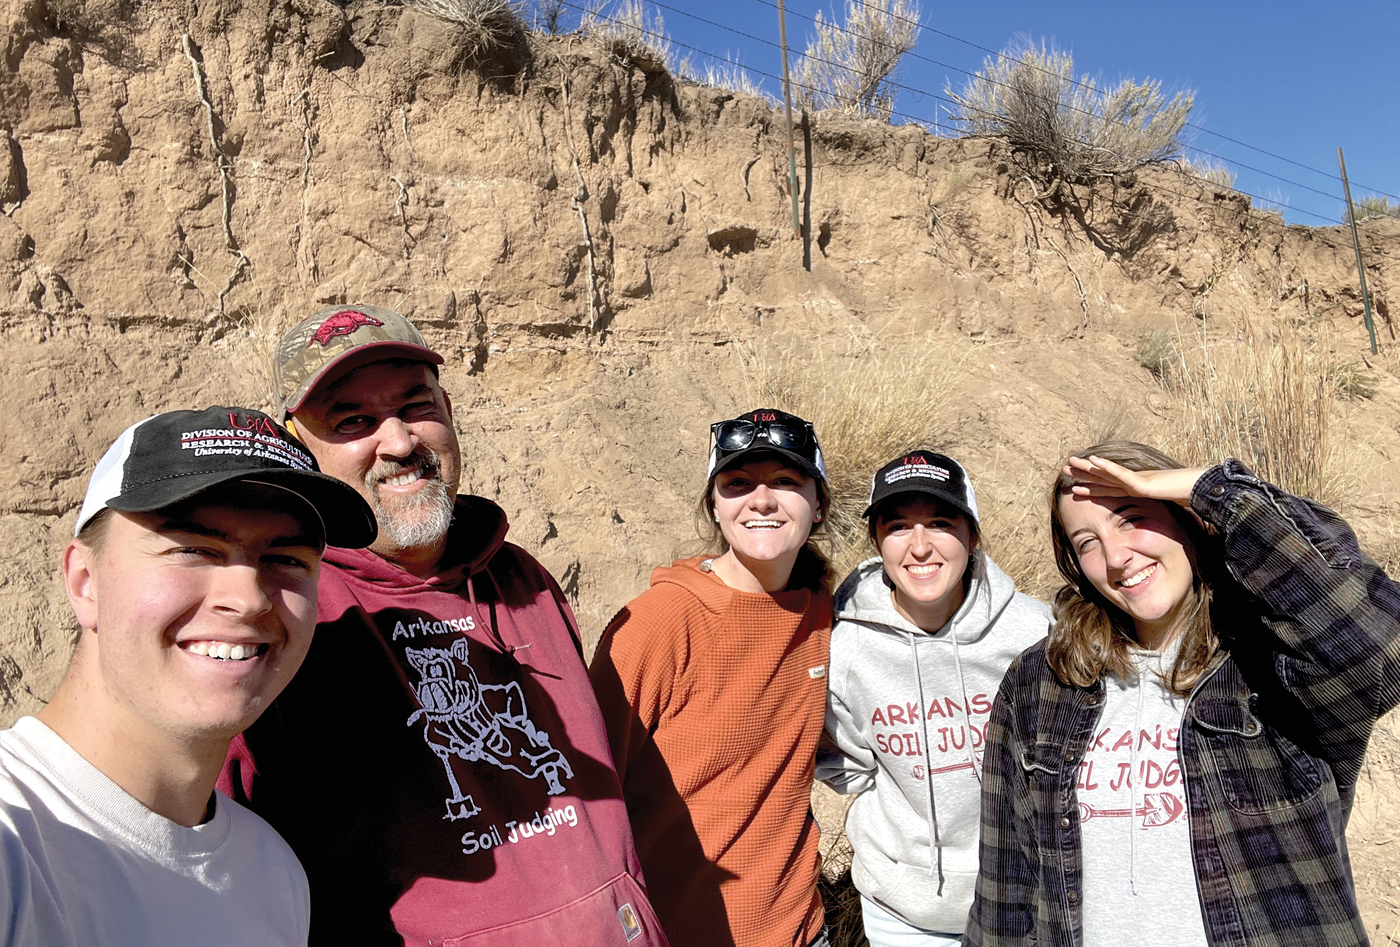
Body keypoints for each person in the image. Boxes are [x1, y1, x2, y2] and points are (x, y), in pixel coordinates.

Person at [220, 304, 669, 947]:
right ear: (302, 452)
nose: (400, 443)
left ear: (450, 410)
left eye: (416, 406)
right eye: (354, 421)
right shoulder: (288, 613)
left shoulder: (521, 579)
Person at [965, 442, 1400, 947]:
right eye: (1086, 542)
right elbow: (1007, 883)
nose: (1115, 557)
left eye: (1131, 517)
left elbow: (1381, 650)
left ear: (1186, 518)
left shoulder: (1276, 660)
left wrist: (1215, 491)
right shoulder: (1041, 682)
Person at [0, 405, 377, 946]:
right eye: (194, 550)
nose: (247, 600)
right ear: (86, 582)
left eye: (287, 559)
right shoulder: (16, 846)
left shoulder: (273, 874)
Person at [589, 408, 834, 947]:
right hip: (682, 931)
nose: (762, 501)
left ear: (818, 506)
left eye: (787, 483)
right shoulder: (659, 623)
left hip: (800, 931)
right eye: (737, 483)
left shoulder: (825, 611)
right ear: (715, 506)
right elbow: (587, 792)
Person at [818, 450, 1051, 947]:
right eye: (899, 526)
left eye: (941, 523)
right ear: (878, 541)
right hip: (905, 915)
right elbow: (848, 766)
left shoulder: (1033, 632)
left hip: (1025, 905)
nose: (919, 547)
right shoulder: (846, 646)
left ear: (972, 536)